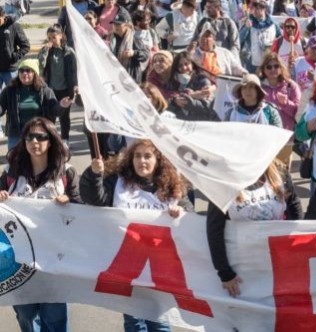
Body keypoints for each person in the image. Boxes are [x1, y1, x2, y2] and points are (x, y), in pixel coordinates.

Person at [80, 139, 191, 332]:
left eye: (147, 156)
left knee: (159, 320)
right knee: (134, 321)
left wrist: (180, 211)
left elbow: (190, 215)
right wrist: (94, 175)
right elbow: (93, 198)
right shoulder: (119, 182)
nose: (142, 161)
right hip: (127, 267)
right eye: (137, 156)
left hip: (160, 270)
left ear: (158, 159)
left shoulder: (172, 185)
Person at [0, 118, 77, 332]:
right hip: (20, 262)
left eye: (41, 137)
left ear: (51, 141)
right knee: (26, 316)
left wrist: (70, 201)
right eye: (30, 137)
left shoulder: (66, 172)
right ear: (24, 142)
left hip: (55, 260)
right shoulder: (11, 172)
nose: (35, 141)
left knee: (54, 319)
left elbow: (84, 212)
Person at [206, 159, 302, 298]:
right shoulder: (223, 183)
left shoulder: (279, 171)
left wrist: (298, 239)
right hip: (245, 267)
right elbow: (214, 229)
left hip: (279, 260)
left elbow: (294, 204)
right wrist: (225, 273)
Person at [0, 59, 73, 148]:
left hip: (39, 134)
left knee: (38, 161)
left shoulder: (45, 90)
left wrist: (61, 105)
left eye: (28, 70)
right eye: (21, 71)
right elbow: (1, 108)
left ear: (35, 73)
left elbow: (54, 110)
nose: (24, 73)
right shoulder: (10, 90)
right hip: (17, 135)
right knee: (15, 161)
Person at [37, 25, 77, 145]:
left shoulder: (68, 51)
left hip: (65, 88)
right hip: (51, 89)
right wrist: (45, 51)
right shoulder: (47, 51)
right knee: (50, 116)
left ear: (61, 36)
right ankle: (51, 139)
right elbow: (41, 65)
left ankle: (65, 139)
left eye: (54, 37)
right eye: (49, 37)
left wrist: (75, 85)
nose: (51, 40)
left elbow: (74, 70)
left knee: (64, 116)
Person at [258, 52, 300, 164]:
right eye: (269, 67)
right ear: (263, 70)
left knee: (283, 174)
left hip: (285, 137)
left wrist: (286, 103)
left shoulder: (291, 86)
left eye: (276, 66)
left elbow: (298, 113)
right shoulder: (257, 87)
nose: (273, 69)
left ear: (281, 68)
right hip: (263, 138)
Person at [110, 12, 149, 83]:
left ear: (127, 26)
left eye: (119, 24)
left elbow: (146, 55)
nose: (116, 26)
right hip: (115, 74)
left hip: (131, 75)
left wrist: (134, 53)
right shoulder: (112, 39)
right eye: (114, 24)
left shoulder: (134, 38)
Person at [0, 7, 30, 93]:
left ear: (3, 16)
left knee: (13, 97)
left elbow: (26, 46)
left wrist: (14, 57)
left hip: (10, 71)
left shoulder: (14, 26)